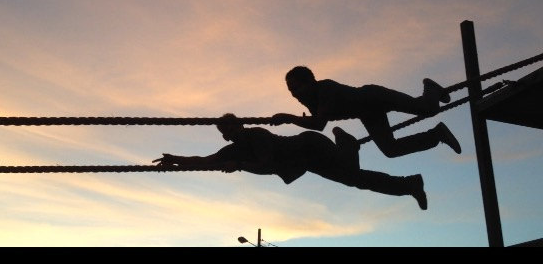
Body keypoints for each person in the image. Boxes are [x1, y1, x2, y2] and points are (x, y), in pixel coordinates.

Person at [153, 114, 429, 210]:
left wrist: (240, 166)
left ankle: (344, 139)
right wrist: (175, 160)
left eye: (232, 129)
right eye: (225, 133)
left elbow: (267, 164)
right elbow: (206, 161)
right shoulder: (232, 151)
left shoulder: (257, 135)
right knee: (356, 180)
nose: (229, 135)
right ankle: (410, 184)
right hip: (306, 161)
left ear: (240, 126)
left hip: (310, 145)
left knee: (352, 172)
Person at [271, 66, 461, 158]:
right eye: (291, 91)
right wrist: (299, 119)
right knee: (391, 150)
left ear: (310, 82)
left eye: (296, 88)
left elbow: (319, 124)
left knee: (427, 109)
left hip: (373, 97)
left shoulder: (325, 89)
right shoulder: (311, 100)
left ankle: (430, 88)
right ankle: (437, 134)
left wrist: (288, 118)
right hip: (368, 113)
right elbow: (317, 121)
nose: (294, 94)